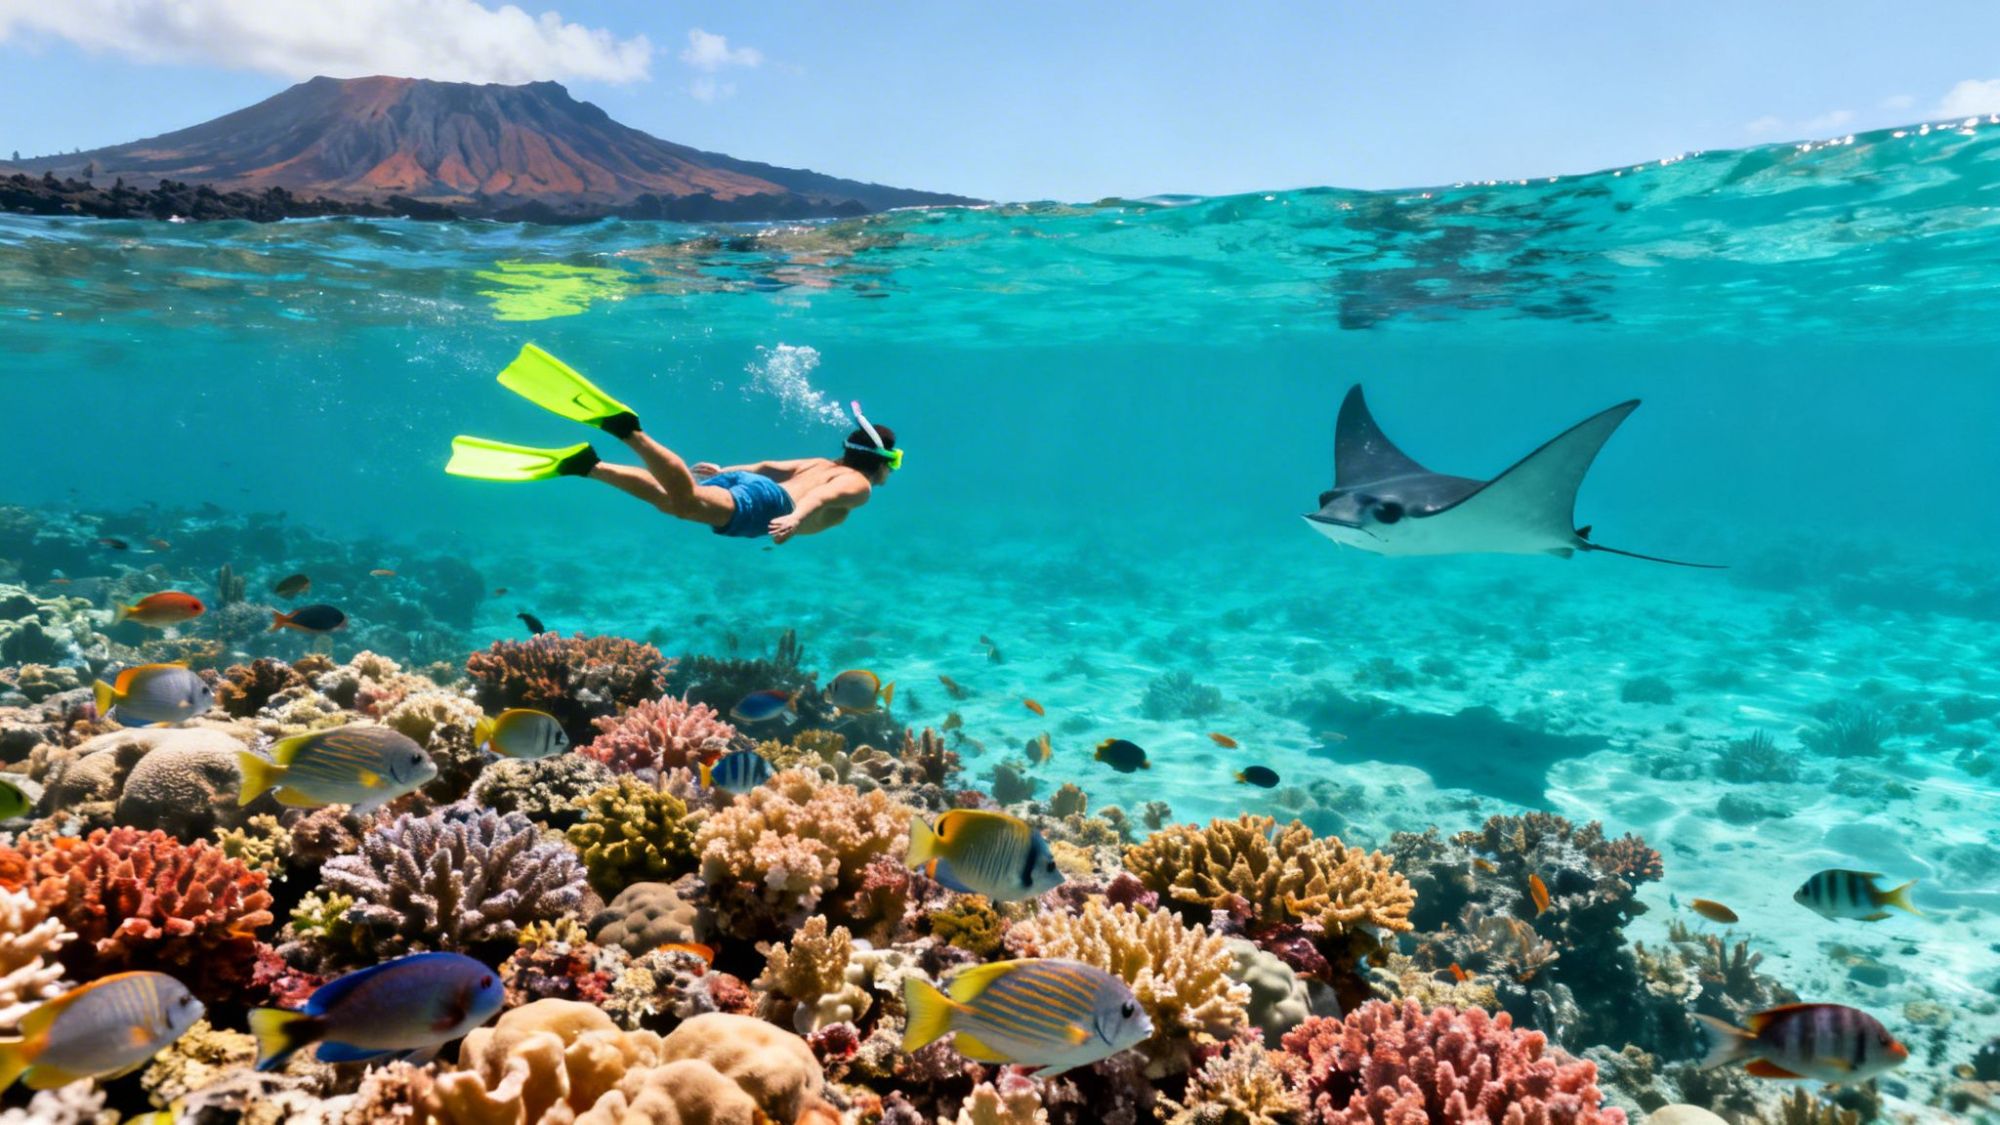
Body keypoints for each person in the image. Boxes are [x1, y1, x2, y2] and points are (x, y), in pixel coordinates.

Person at [446, 345, 899, 543]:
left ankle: (585, 465)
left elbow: (765, 464)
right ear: (880, 463)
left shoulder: (822, 460)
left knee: (672, 503)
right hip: (771, 508)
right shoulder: (857, 485)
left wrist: (726, 471)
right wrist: (794, 520)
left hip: (756, 490)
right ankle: (628, 430)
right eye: (892, 464)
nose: (890, 474)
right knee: (685, 504)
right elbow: (819, 496)